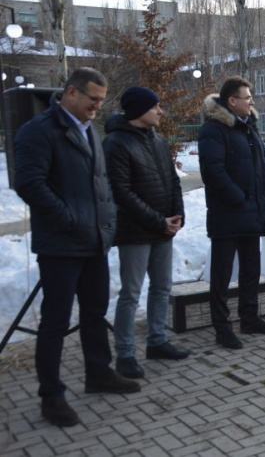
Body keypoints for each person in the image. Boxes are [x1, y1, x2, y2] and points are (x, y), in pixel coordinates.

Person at [14, 67, 140, 428]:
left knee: (94, 312)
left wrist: (107, 223)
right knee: (55, 321)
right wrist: (70, 220)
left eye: (101, 101)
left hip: (94, 242)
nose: (98, 107)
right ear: (71, 93)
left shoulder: (91, 132)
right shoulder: (39, 131)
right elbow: (30, 184)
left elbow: (101, 185)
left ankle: (98, 373)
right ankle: (51, 396)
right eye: (92, 100)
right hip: (61, 245)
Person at [103, 86, 190, 379]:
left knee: (162, 288)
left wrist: (178, 215)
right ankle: (125, 354)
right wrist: (158, 221)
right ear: (140, 110)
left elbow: (173, 182)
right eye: (156, 107)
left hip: (163, 229)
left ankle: (157, 341)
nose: (161, 111)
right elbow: (121, 192)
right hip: (135, 232)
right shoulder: (115, 143)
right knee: (130, 293)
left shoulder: (158, 141)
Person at [198, 76, 265, 349]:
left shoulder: (249, 128)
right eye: (247, 97)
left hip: (251, 211)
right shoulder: (214, 130)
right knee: (221, 274)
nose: (252, 101)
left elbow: (262, 163)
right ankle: (222, 328)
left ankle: (249, 318)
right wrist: (238, 198)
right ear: (232, 101)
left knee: (250, 269)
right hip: (228, 213)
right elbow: (213, 170)